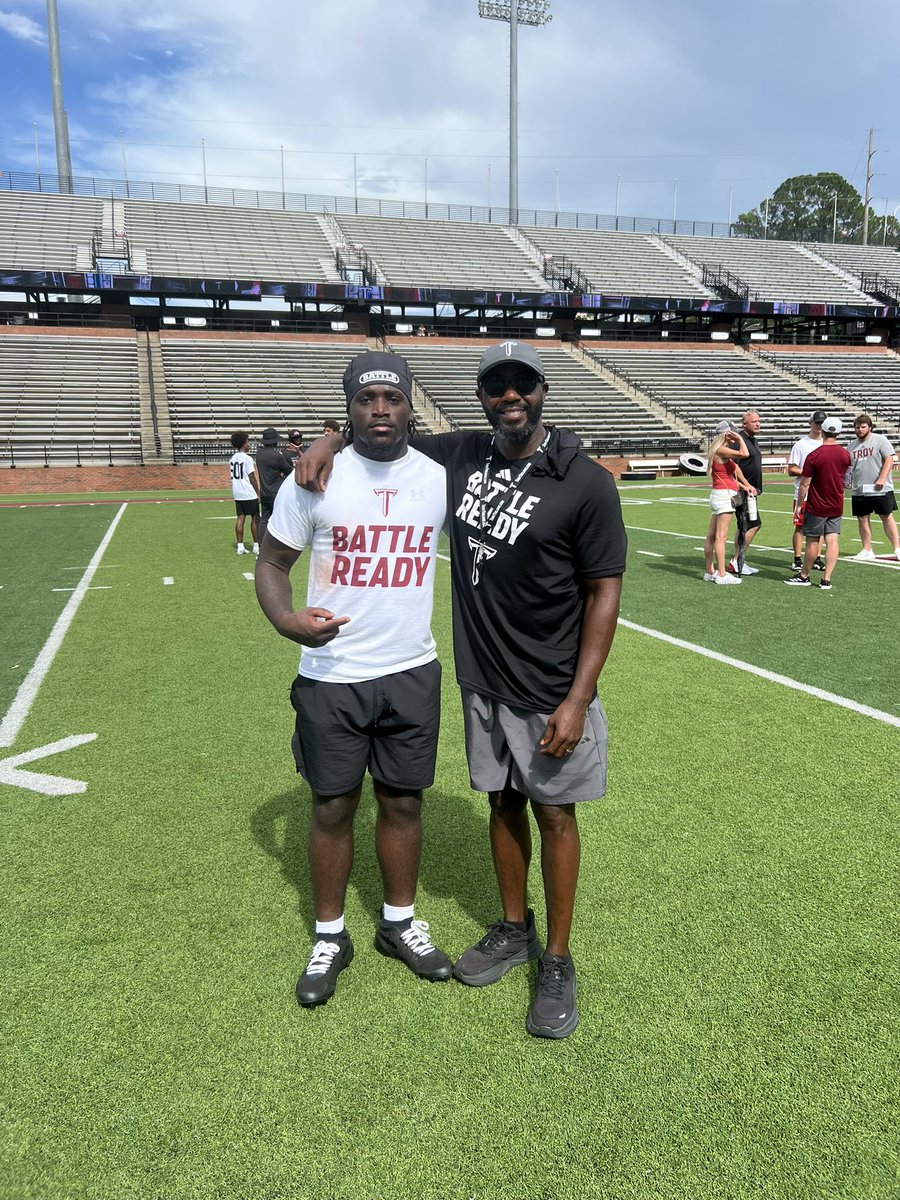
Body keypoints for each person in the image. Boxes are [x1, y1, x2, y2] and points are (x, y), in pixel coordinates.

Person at [298, 340, 627, 1039]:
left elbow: (605, 592)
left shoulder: (586, 482)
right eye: (496, 386)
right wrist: (327, 437)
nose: (510, 397)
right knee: (502, 802)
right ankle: (513, 927)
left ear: (543, 391)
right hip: (483, 679)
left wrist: (578, 698)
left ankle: (557, 959)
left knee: (555, 814)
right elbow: (378, 429)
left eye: (522, 385)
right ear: (481, 397)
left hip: (550, 685)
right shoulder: (463, 455)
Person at [255, 352, 452, 1009]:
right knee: (332, 806)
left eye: (392, 398)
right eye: (366, 399)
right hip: (332, 674)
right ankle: (330, 935)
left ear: (410, 407)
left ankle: (398, 923)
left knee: (404, 803)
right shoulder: (315, 478)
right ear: (349, 408)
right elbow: (272, 563)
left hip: (411, 669)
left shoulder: (437, 476)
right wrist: (286, 620)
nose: (380, 409)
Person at [785, 417, 851, 590]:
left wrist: (799, 505)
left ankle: (804, 575)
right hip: (836, 503)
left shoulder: (814, 455)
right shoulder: (845, 454)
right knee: (832, 540)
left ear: (823, 431)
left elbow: (805, 484)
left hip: (817, 504)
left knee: (813, 541)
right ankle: (826, 579)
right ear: (838, 433)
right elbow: (848, 481)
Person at [702, 421, 754, 586]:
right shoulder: (721, 449)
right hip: (724, 496)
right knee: (721, 537)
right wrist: (740, 438)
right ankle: (722, 574)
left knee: (712, 536)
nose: (734, 435)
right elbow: (745, 453)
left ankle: (710, 571)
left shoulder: (718, 450)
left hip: (720, 494)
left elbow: (728, 477)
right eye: (732, 432)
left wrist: (745, 486)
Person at [847, 414, 900, 561]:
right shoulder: (851, 446)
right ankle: (867, 549)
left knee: (887, 517)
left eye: (863, 427)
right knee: (862, 518)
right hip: (859, 489)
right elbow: (849, 468)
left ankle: (897, 548)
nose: (860, 429)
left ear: (869, 427)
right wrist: (847, 482)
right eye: (857, 427)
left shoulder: (880, 440)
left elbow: (889, 459)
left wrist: (882, 478)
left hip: (880, 488)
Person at [788, 411, 826, 572]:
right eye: (817, 423)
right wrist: (809, 472)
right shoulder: (801, 445)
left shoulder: (826, 443)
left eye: (822, 423)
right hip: (803, 492)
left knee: (820, 528)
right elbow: (791, 469)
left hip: (821, 493)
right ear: (810, 423)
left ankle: (817, 557)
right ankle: (797, 559)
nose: (819, 426)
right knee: (800, 526)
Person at [727, 411, 763, 576]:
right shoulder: (738, 441)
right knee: (753, 525)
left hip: (750, 491)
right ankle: (736, 560)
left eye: (758, 421)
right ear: (744, 424)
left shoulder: (752, 440)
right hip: (743, 491)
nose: (757, 424)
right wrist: (744, 486)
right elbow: (732, 467)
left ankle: (739, 559)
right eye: (753, 421)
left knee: (744, 525)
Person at [255, 427, 295, 545]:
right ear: (275, 441)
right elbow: (290, 471)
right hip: (277, 492)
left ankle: (261, 545)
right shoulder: (277, 455)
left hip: (264, 492)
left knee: (264, 519)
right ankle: (278, 545)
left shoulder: (259, 454)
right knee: (280, 519)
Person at [228, 431, 259, 555]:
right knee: (255, 518)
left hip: (237, 493)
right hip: (248, 492)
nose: (248, 444)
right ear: (243, 444)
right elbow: (252, 477)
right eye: (247, 442)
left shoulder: (232, 458)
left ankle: (240, 546)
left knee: (240, 518)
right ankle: (256, 546)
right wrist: (258, 492)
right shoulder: (247, 458)